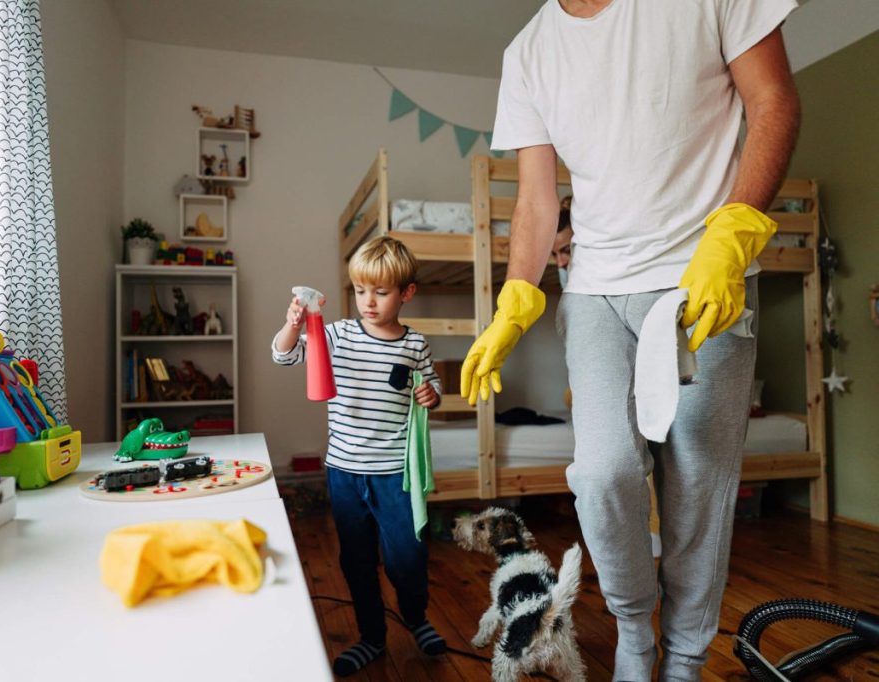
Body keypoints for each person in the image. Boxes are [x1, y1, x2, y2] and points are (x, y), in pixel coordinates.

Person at [461, 1, 800, 679]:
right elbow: (536, 199)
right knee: (602, 471)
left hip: (702, 281)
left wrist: (732, 236)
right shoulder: (529, 51)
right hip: (594, 290)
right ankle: (633, 629)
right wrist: (515, 299)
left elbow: (775, 103)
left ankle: (684, 657)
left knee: (698, 485)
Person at [271, 235, 446, 677]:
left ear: (406, 293)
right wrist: (293, 323)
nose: (368, 302)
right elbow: (283, 356)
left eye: (381, 292)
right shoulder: (336, 334)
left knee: (408, 556)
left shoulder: (414, 344)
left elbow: (433, 388)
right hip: (345, 472)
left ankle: (416, 616)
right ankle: (371, 636)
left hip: (395, 475)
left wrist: (431, 394)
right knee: (357, 560)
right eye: (361, 290)